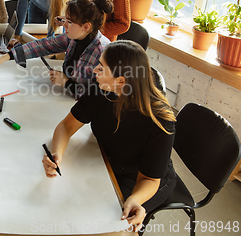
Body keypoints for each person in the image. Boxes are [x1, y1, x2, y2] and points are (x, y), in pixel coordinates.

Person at [42, 40, 177, 231]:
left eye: (101, 68)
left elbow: (150, 179)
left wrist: (135, 199)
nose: (95, 70)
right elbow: (66, 126)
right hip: (108, 160)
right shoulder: (100, 90)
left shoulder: (160, 121)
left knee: (104, 220)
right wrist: (57, 155)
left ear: (121, 81)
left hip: (143, 177)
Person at [0, 0, 112, 99]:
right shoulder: (73, 37)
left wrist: (67, 83)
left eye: (69, 22)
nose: (64, 25)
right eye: (65, 20)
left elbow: (100, 94)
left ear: (86, 26)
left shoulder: (103, 51)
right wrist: (3, 58)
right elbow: (42, 45)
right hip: (64, 98)